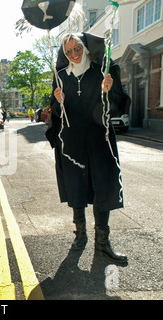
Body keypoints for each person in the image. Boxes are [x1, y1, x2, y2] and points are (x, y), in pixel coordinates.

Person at [46, 33, 130, 263]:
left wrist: (109, 91)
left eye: (78, 49)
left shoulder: (100, 71)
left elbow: (117, 105)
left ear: (85, 47)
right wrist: (57, 101)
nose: (74, 54)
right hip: (72, 142)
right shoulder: (60, 76)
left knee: (103, 186)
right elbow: (55, 113)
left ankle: (102, 243)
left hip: (99, 140)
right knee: (76, 186)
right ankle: (80, 235)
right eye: (69, 51)